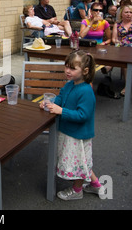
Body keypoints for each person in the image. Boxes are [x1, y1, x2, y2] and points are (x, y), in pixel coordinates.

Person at [40, 50, 105, 200]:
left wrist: (61, 111)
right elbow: (61, 98)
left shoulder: (86, 91)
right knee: (82, 161)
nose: (67, 71)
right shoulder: (70, 84)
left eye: (72, 68)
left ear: (85, 71)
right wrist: (50, 103)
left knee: (80, 162)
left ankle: (77, 190)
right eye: (66, 66)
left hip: (78, 135)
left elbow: (83, 115)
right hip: (70, 132)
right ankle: (96, 185)